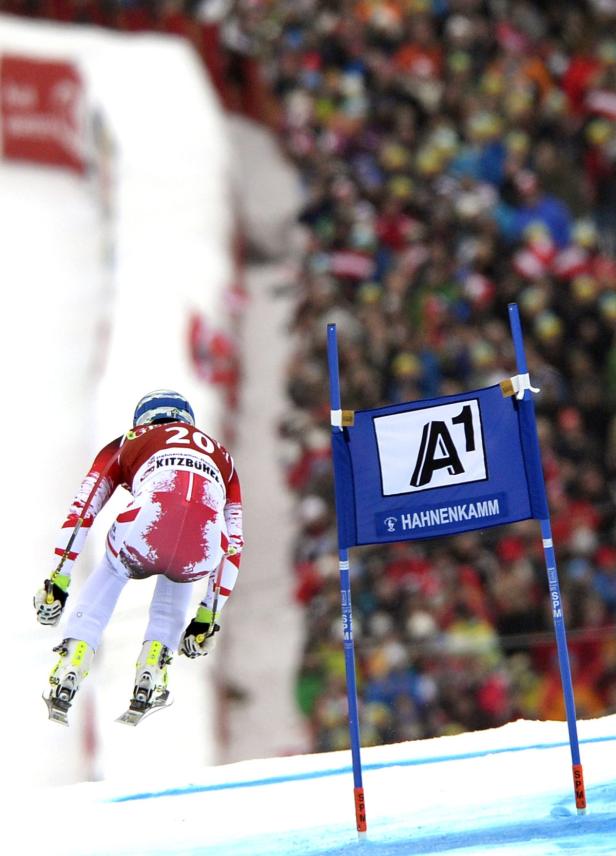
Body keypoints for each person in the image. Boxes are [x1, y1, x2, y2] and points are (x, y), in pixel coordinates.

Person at [34, 389, 243, 723]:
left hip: (146, 524)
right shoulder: (223, 457)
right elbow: (234, 542)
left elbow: (83, 509)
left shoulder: (128, 440)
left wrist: (60, 575)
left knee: (115, 569)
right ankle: (154, 665)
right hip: (204, 545)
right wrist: (209, 614)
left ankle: (74, 659)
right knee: (180, 569)